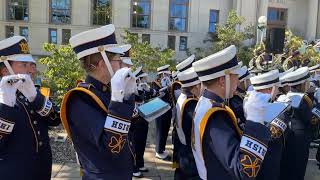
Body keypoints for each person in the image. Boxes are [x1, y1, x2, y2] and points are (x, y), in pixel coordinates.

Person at [60, 24, 136, 179]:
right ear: (103, 64)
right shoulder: (80, 99)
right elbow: (112, 146)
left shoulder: (106, 90)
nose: (121, 65)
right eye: (117, 60)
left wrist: (127, 95)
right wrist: (118, 99)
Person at [192, 45, 274, 180]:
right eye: (236, 76)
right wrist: (254, 121)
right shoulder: (215, 115)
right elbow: (244, 171)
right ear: (223, 80)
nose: (238, 81)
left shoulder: (205, 102)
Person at [0, 36, 60, 180]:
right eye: (23, 64)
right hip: (13, 172)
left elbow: (55, 119)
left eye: (29, 65)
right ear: (5, 70)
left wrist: (36, 98)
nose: (30, 70)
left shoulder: (31, 91)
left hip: (41, 169)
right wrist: (6, 106)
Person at [249, 70, 289, 180]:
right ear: (269, 89)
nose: (277, 92)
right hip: (267, 160)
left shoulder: (252, 102)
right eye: (276, 88)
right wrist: (284, 114)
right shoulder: (263, 106)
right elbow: (273, 135)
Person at [279, 67, 313, 180]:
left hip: (288, 136)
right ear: (301, 84)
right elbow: (310, 119)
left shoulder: (286, 96)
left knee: (288, 166)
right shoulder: (302, 98)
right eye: (306, 82)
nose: (308, 84)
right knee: (298, 168)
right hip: (300, 140)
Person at [174, 67, 201, 179]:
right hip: (190, 154)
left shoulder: (183, 97)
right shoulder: (191, 104)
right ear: (195, 86)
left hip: (182, 149)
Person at [130, 67, 154, 178]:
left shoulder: (143, 86)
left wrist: (148, 90)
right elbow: (137, 98)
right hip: (135, 119)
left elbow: (152, 95)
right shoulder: (132, 87)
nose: (145, 79)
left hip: (144, 117)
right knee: (135, 144)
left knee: (142, 142)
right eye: (143, 78)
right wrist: (139, 90)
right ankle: (134, 168)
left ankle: (140, 164)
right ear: (138, 78)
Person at [152, 65, 172, 160]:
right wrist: (162, 89)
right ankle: (158, 151)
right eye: (167, 73)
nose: (169, 74)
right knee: (160, 130)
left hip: (167, 108)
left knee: (165, 129)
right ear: (163, 74)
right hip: (159, 109)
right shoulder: (155, 83)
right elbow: (154, 95)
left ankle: (162, 149)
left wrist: (169, 86)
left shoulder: (168, 81)